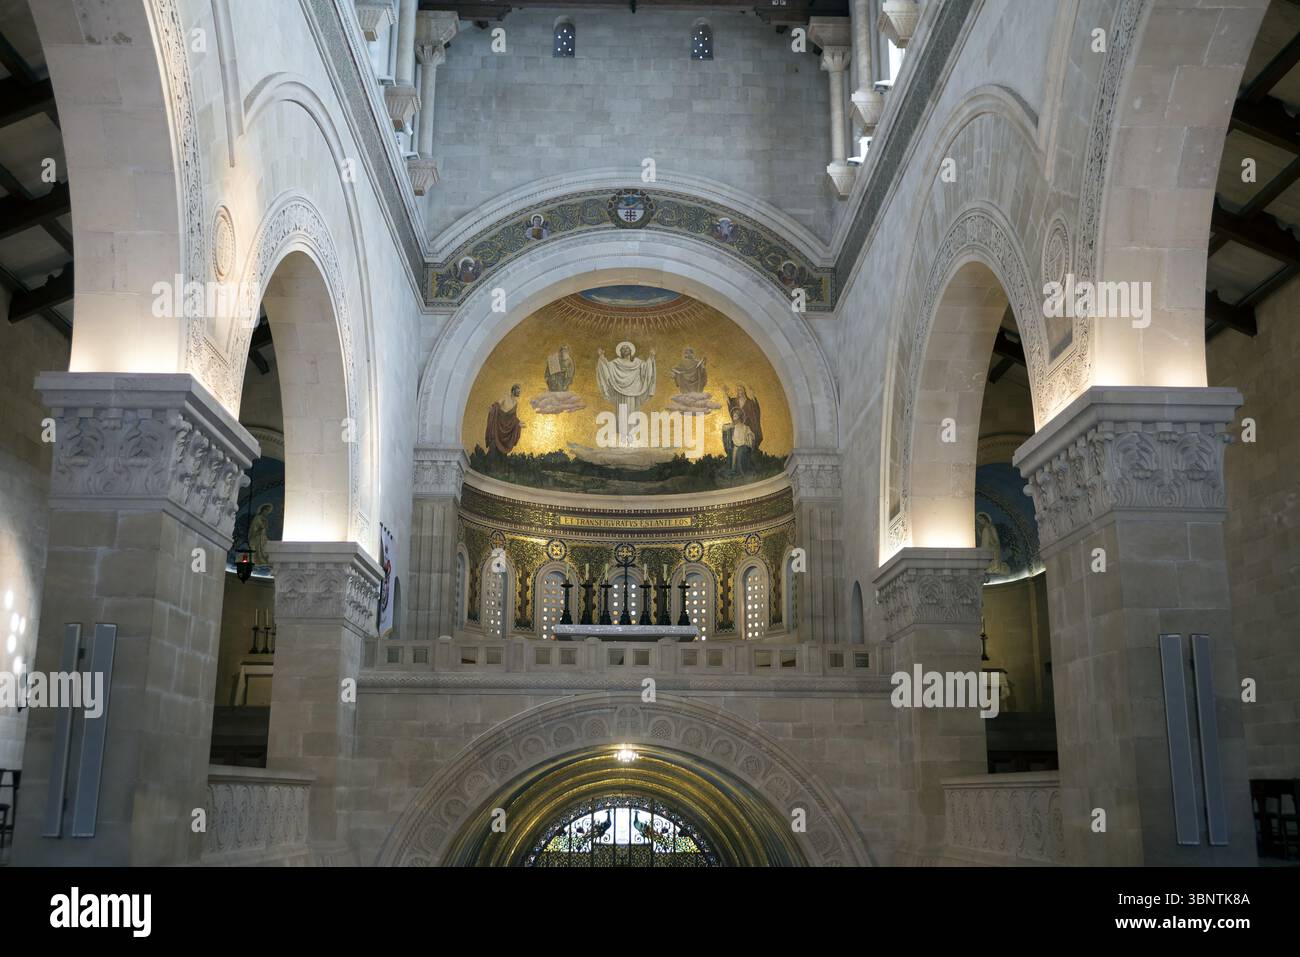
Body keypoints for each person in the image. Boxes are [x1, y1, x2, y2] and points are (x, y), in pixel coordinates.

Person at [485, 384, 524, 455]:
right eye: (518, 391)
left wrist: (518, 423)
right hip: (499, 423)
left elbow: (513, 417)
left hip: (507, 427)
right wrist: (492, 408)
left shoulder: (515, 402)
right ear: (513, 391)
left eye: (519, 392)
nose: (519, 393)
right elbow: (497, 404)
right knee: (494, 446)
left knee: (503, 449)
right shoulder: (505, 397)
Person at [726, 384, 762, 452]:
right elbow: (730, 403)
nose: (739, 391)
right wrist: (725, 393)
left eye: (740, 389)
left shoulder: (749, 402)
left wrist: (753, 394)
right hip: (739, 425)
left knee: (748, 441)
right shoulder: (735, 401)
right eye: (738, 390)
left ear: (744, 391)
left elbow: (756, 409)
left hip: (749, 424)